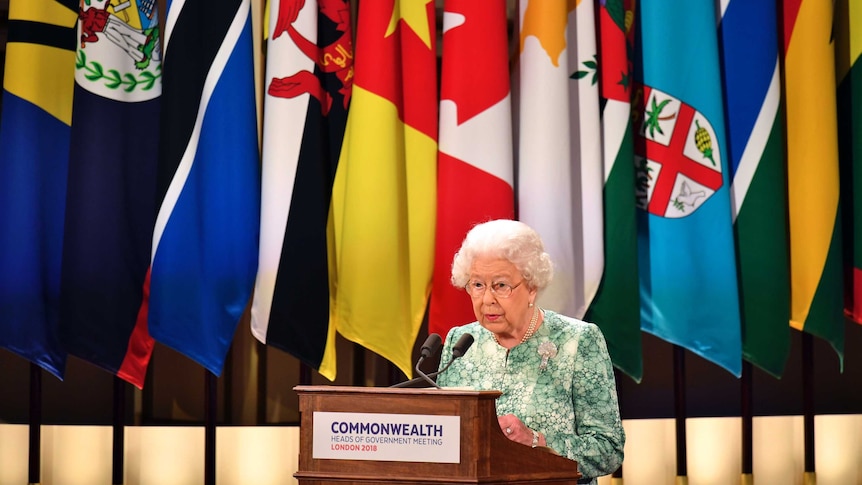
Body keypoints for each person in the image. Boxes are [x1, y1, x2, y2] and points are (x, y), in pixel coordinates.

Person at [435, 219, 625, 484]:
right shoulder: (461, 342)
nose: (487, 299)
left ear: (532, 287)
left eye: (501, 285)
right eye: (477, 285)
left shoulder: (578, 341)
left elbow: (608, 451)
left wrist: (537, 441)